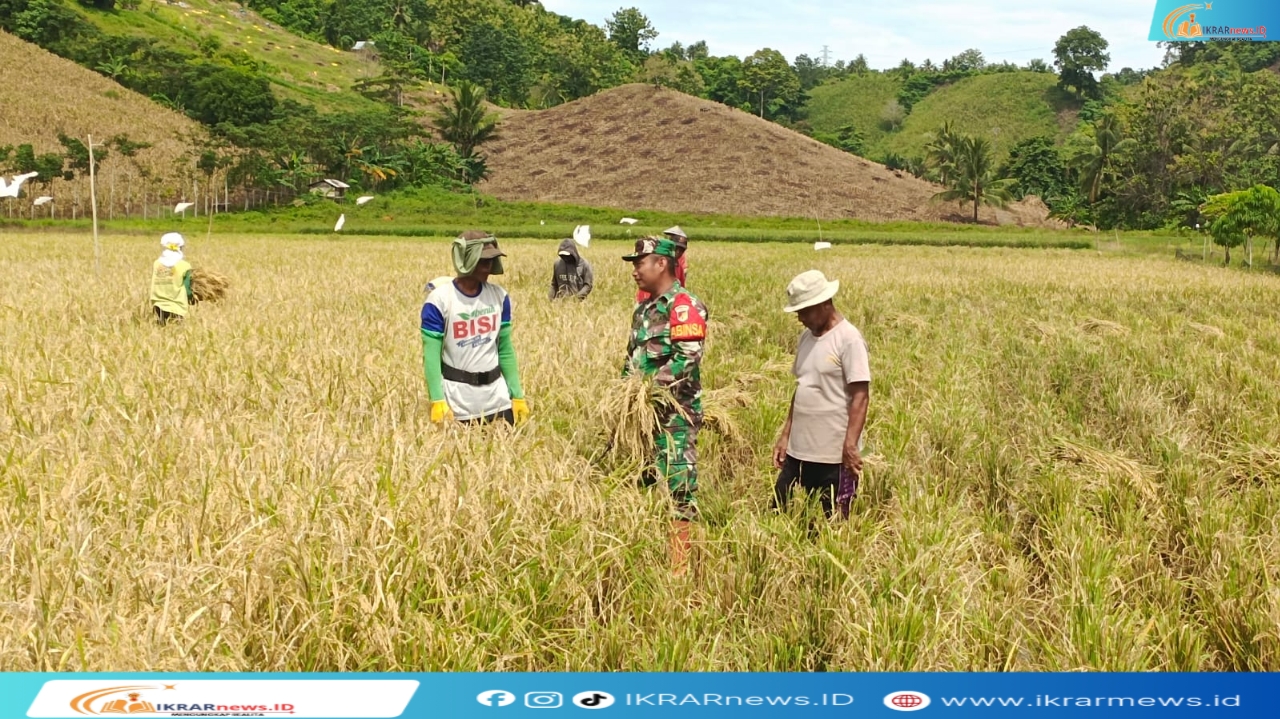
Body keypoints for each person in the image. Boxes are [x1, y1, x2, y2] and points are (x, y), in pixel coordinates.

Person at [623, 236, 709, 575]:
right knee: (641, 482)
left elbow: (687, 359)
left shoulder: (684, 306)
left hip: (674, 419)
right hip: (640, 419)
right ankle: (645, 555)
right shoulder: (643, 311)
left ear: (661, 263)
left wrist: (648, 393)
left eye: (639, 263)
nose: (634, 271)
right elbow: (631, 360)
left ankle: (679, 568)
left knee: (678, 488)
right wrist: (624, 398)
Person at [772, 270, 870, 521]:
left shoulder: (849, 340)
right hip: (798, 451)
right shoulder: (806, 338)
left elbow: (860, 396)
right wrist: (785, 435)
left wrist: (850, 445)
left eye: (805, 311)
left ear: (825, 303)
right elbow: (802, 387)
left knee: (830, 522)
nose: (800, 318)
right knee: (780, 512)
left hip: (833, 456)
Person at [420, 230, 529, 425]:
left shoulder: (500, 297)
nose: (488, 267)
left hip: (498, 401)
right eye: (483, 261)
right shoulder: (439, 301)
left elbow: (505, 349)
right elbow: (431, 356)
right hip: (458, 404)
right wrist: (437, 400)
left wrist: (517, 395)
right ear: (466, 260)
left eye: (491, 261)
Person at [636, 225, 689, 302]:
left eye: (681, 250)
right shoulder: (657, 263)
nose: (678, 252)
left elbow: (681, 288)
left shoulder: (678, 266)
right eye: (676, 248)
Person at [150, 232, 192, 326]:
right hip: (177, 307)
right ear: (180, 247)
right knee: (175, 331)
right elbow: (188, 289)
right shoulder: (185, 266)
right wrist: (192, 298)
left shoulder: (156, 264)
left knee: (161, 329)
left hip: (158, 305)